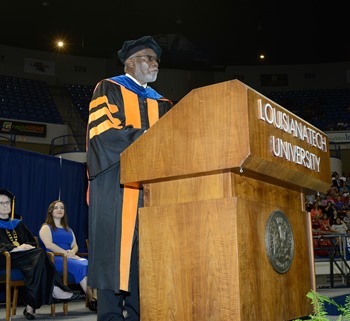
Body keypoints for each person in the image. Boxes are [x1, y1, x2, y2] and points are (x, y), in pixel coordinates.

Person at [86, 35, 173, 321]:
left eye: (156, 60)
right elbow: (101, 135)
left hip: (153, 191)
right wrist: (146, 138)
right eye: (149, 58)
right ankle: (110, 316)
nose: (154, 63)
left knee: (145, 255)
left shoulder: (163, 103)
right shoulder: (108, 88)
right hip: (116, 186)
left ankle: (139, 314)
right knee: (115, 251)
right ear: (131, 63)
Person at [0, 189, 82, 320]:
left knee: (37, 261)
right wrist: (15, 248)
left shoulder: (17, 223)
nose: (5, 205)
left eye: (7, 202)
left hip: (25, 258)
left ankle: (31, 307)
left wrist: (26, 246)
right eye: (1, 203)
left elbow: (31, 241)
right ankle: (55, 289)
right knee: (40, 255)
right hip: (5, 258)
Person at [39, 200, 97, 312]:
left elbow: (75, 245)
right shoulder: (46, 227)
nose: (59, 210)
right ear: (51, 211)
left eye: (62, 208)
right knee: (81, 265)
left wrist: (72, 252)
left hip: (69, 257)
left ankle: (95, 299)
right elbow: (49, 245)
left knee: (88, 264)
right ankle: (92, 300)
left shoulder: (68, 229)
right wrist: (66, 254)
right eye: (56, 208)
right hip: (55, 259)